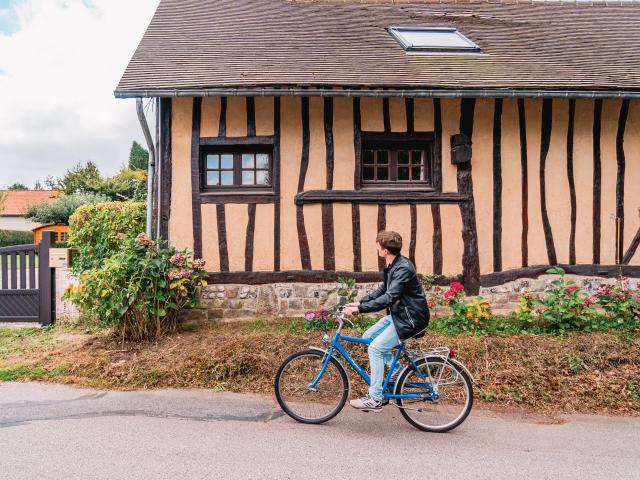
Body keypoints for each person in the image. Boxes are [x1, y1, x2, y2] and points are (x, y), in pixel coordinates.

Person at [344, 230, 430, 411]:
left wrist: (360, 309)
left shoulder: (403, 268)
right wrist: (359, 302)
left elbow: (389, 297)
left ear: (384, 250)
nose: (376, 248)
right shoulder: (395, 265)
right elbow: (383, 290)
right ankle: (396, 368)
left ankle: (375, 398)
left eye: (378, 245)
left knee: (375, 349)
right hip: (400, 315)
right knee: (369, 336)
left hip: (411, 319)